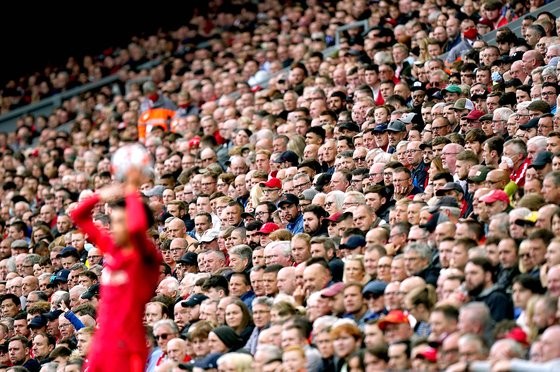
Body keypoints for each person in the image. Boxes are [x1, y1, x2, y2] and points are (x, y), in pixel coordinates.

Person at [70, 166, 162, 371]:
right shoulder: (111, 248)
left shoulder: (146, 256)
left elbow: (137, 227)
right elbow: (79, 216)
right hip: (103, 341)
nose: (114, 227)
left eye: (121, 221)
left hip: (127, 345)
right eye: (114, 221)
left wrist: (130, 189)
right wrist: (100, 195)